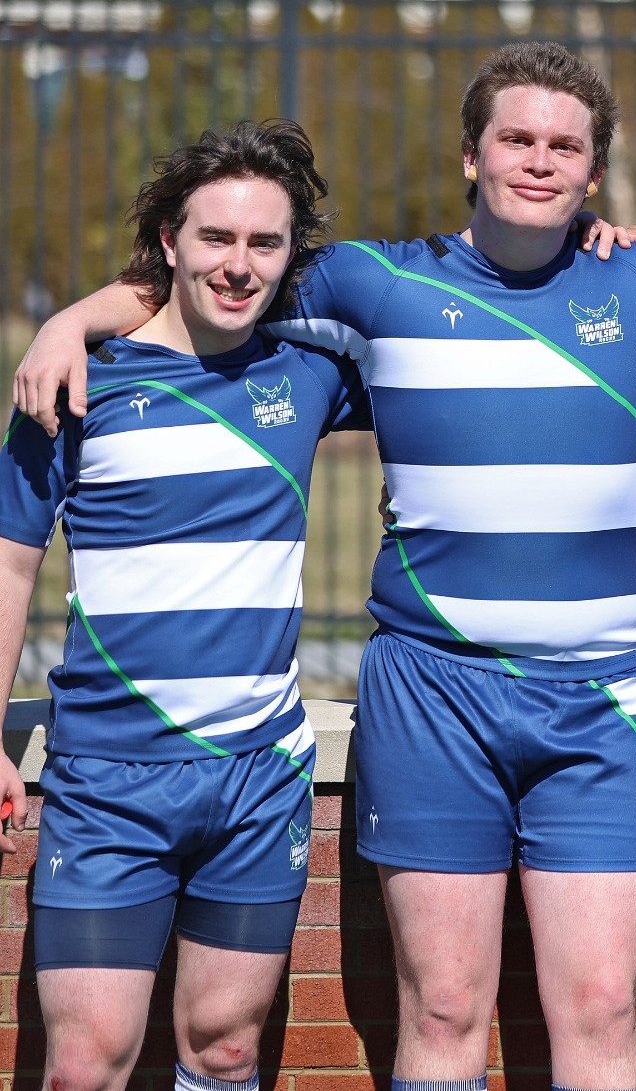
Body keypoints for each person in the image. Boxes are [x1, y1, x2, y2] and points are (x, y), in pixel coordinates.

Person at [11, 44, 636, 1091]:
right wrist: (74, 318)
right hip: (433, 695)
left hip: (599, 698)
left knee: (604, 1009)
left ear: (593, 174)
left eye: (565, 146)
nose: (539, 161)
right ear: (470, 153)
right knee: (447, 1007)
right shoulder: (370, 284)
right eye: (516, 138)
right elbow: (205, 276)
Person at [0, 121, 364, 1091]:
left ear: (289, 257)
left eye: (263, 244)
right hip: (109, 779)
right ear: (169, 240)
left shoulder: (311, 371)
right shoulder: (71, 385)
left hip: (258, 778)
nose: (237, 266)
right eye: (214, 239)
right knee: (85, 1062)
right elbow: (10, 565)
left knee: (227, 1049)